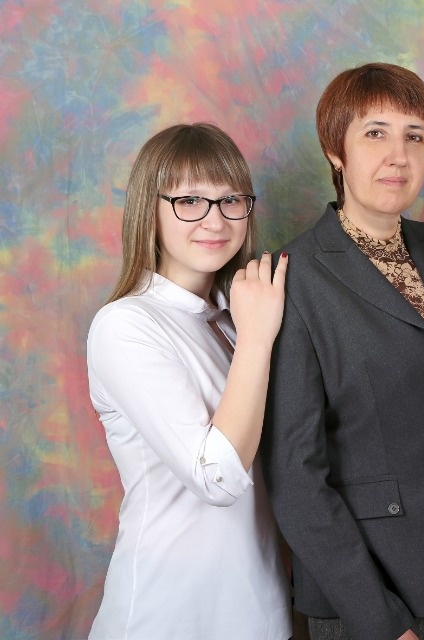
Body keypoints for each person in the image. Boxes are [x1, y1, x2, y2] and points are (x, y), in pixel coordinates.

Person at [261, 63, 424, 640]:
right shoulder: (295, 277)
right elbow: (295, 477)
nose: (399, 156)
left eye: (416, 136)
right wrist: (380, 623)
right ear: (334, 150)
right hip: (369, 598)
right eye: (375, 133)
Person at [86, 123, 291, 639]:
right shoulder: (126, 325)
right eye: (190, 201)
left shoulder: (236, 317)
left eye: (230, 200)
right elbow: (216, 479)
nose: (214, 220)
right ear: (149, 211)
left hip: (261, 612)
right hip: (166, 615)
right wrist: (258, 337)